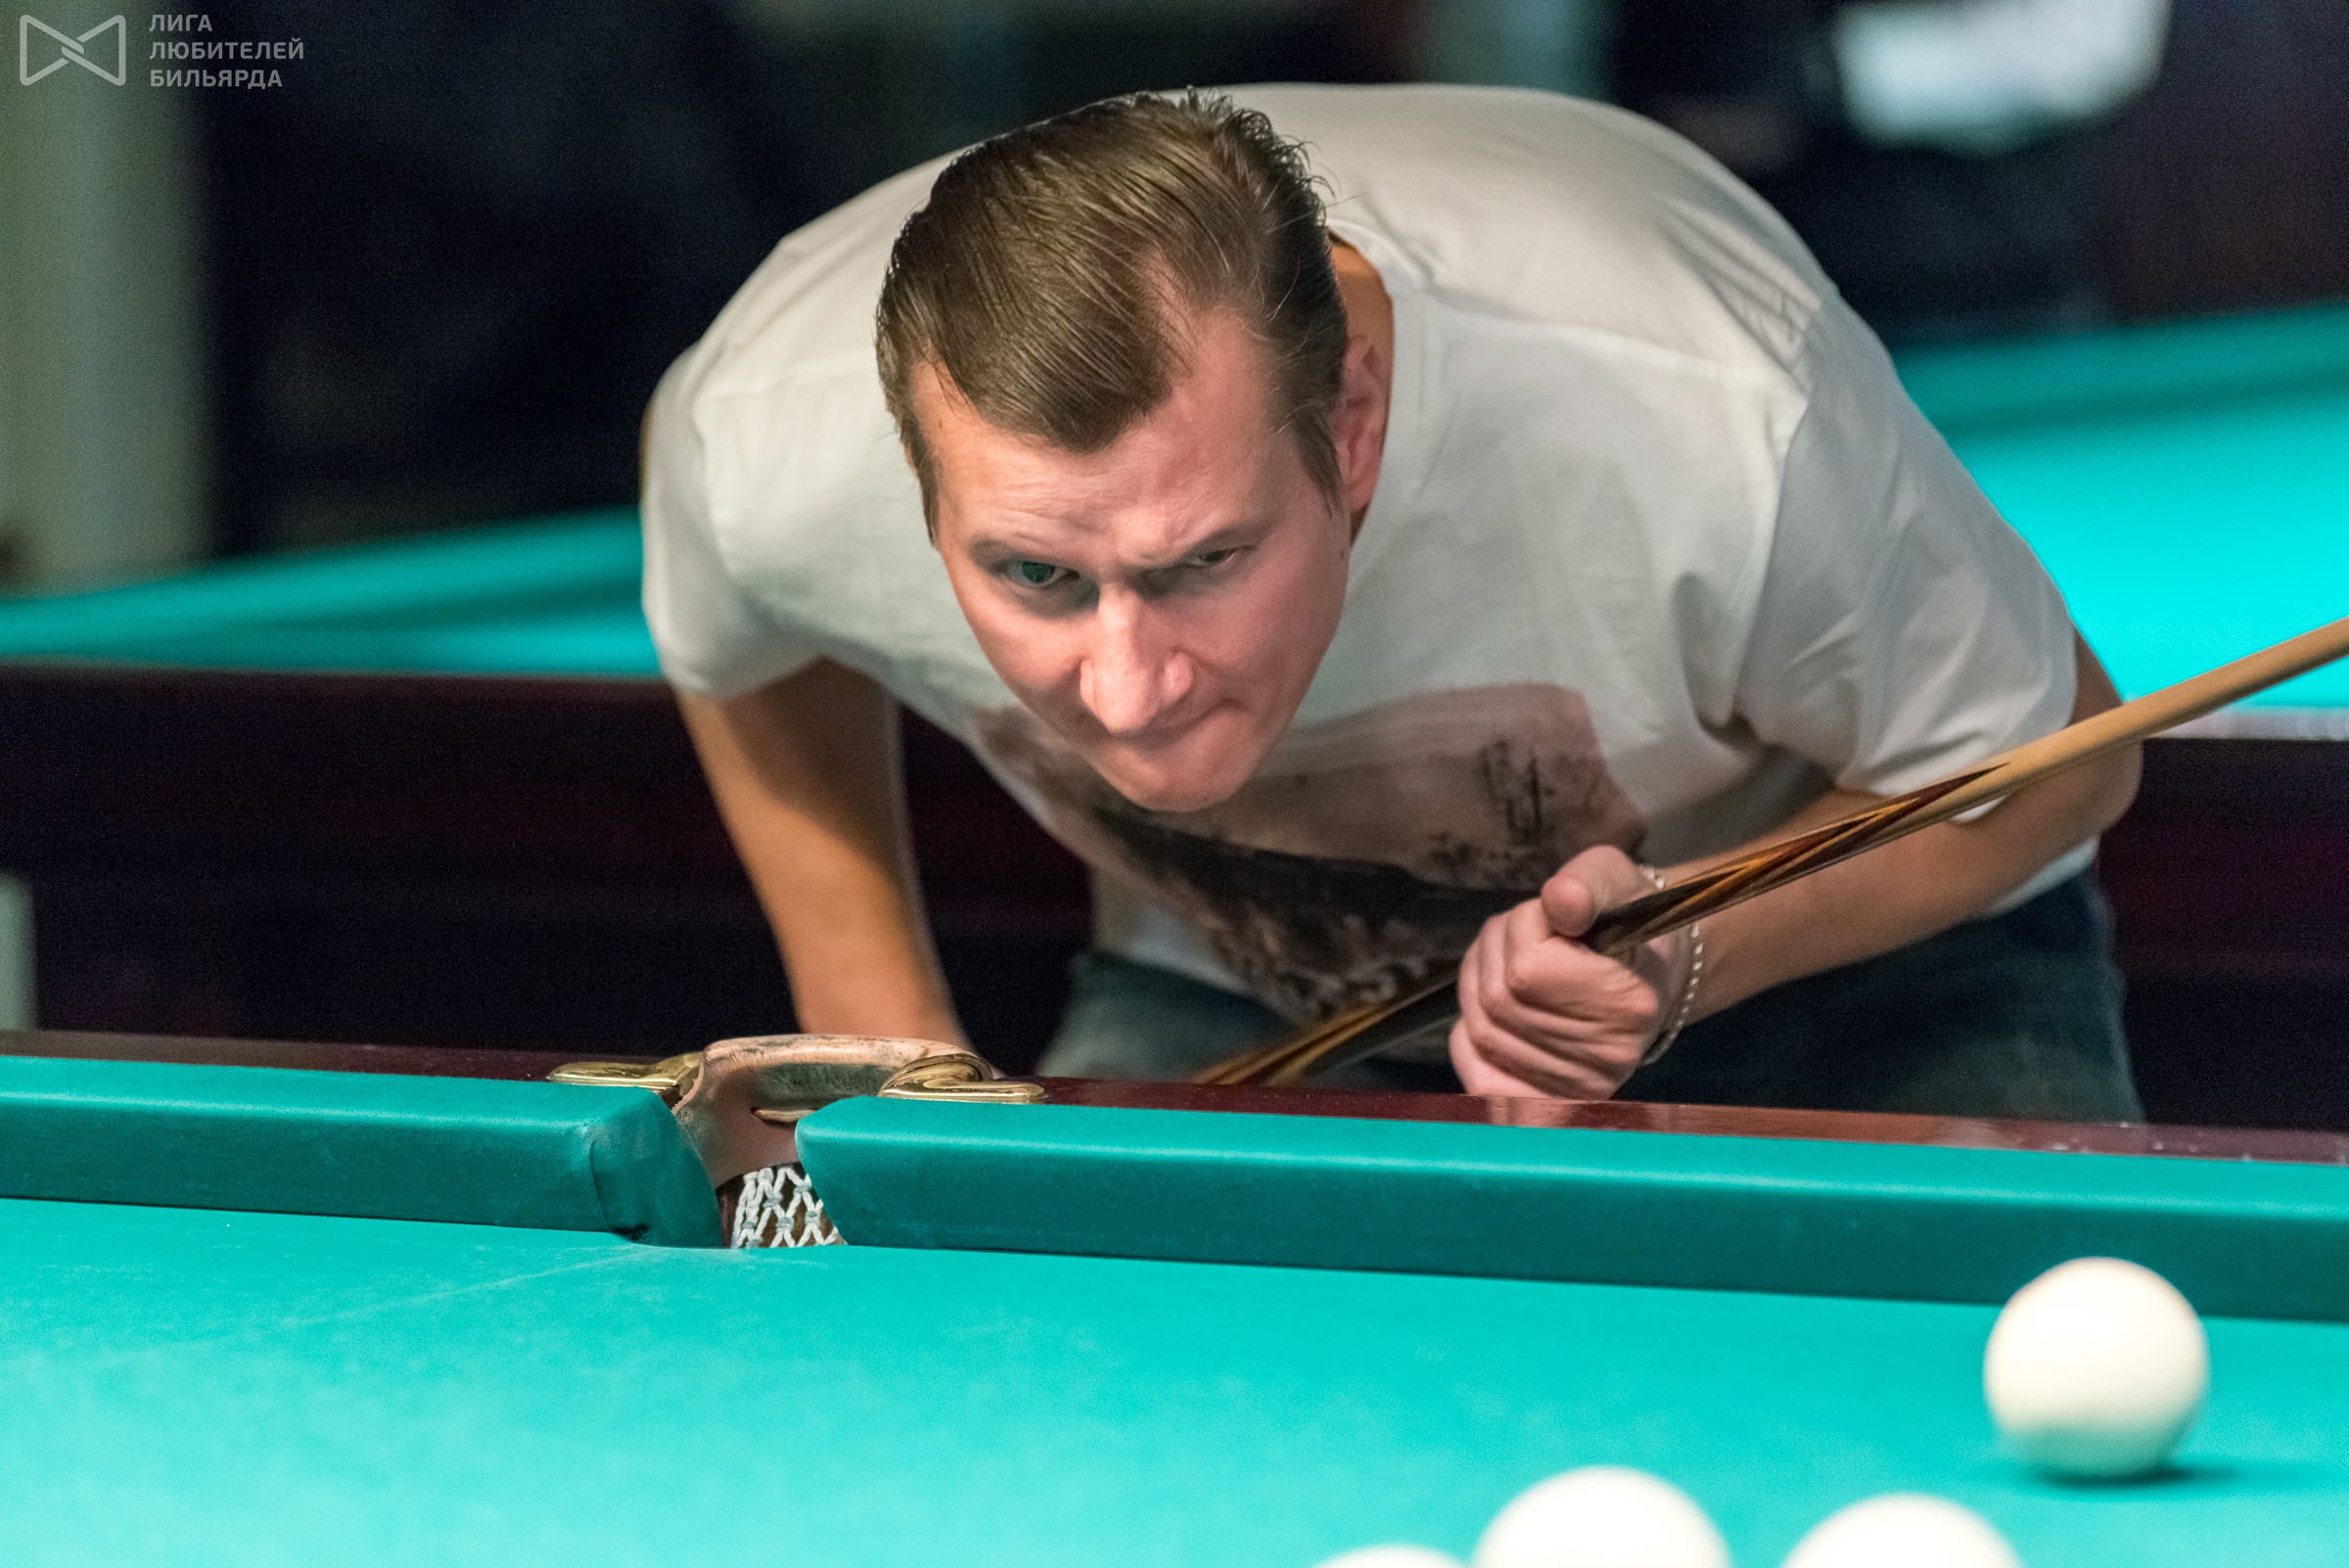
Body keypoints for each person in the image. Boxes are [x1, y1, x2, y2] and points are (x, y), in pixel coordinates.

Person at [641, 85, 2142, 1118]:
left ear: (1351, 423)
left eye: (1202, 561)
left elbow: (2063, 754)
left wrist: (1693, 949)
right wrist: (887, 1038)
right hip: (1244, 982)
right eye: (1040, 576)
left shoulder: (1712, 415)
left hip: (1862, 970)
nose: (1129, 688)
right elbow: (738, 640)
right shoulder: (770, 436)